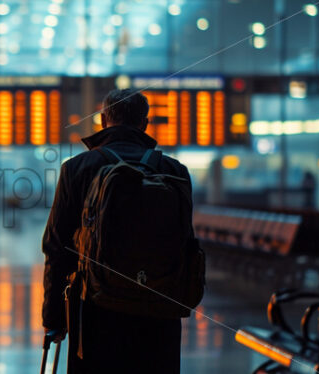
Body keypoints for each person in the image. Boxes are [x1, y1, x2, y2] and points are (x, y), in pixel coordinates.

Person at [41, 89, 200, 373]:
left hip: (95, 311)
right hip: (159, 309)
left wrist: (54, 319)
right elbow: (186, 244)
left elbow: (56, 247)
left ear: (103, 120)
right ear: (145, 124)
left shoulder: (77, 169)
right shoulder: (175, 171)